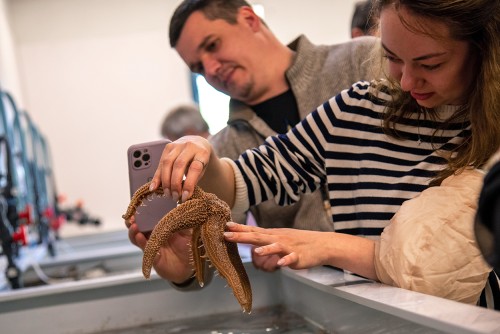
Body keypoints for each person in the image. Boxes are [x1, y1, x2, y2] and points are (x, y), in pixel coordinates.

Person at [147, 0, 500, 307]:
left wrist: (326, 245)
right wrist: (203, 155)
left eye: (430, 64)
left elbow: (431, 268)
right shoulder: (356, 108)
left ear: (483, 48)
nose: (406, 81)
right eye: (392, 58)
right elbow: (247, 177)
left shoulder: (491, 137)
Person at [128, 0, 379, 274]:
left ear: (249, 19)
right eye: (199, 67)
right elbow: (212, 251)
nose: (210, 69)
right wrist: (184, 268)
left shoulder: (362, 61)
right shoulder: (222, 151)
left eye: (212, 45)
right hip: (322, 298)